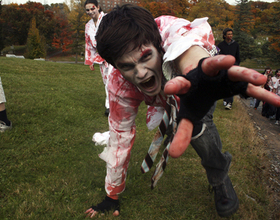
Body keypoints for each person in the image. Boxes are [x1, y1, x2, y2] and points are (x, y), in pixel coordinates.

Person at [85, 5, 280, 218]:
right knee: (177, 130)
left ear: (157, 44)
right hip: (164, 98)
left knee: (198, 129)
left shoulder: (168, 30)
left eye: (146, 56)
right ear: (116, 66)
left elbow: (186, 45)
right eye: (127, 66)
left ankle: (220, 180)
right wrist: (112, 194)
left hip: (197, 87)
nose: (140, 73)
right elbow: (120, 136)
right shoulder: (118, 83)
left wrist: (197, 72)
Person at [84, 0, 113, 116]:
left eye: (92, 9)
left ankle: (110, 106)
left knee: (112, 80)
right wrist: (90, 60)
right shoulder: (88, 26)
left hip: (112, 54)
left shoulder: (108, 19)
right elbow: (88, 44)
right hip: (100, 56)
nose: (90, 12)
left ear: (98, 7)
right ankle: (110, 105)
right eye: (87, 10)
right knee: (106, 81)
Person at [218, 28, 240, 110]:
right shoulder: (220, 45)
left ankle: (229, 102)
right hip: (223, 67)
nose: (230, 35)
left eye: (231, 34)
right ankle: (225, 98)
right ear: (224, 35)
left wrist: (236, 65)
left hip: (233, 67)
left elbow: (238, 57)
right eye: (228, 34)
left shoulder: (235, 44)